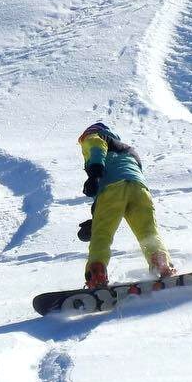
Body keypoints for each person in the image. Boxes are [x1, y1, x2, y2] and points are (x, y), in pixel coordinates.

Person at [76, 122, 176, 288]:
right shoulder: (129, 150)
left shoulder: (95, 136)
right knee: (148, 232)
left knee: (102, 236)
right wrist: (95, 218)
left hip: (111, 188)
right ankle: (161, 264)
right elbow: (126, 175)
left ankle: (97, 275)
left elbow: (97, 147)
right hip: (140, 189)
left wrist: (94, 174)